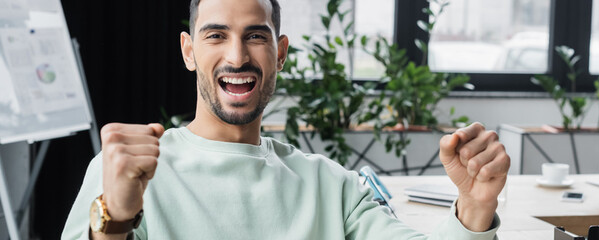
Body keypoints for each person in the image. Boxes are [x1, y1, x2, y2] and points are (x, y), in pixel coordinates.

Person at [61, 0, 510, 239]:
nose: (236, 57)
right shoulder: (129, 171)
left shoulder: (331, 187)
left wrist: (474, 205)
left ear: (280, 53)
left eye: (255, 36)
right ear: (188, 51)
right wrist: (116, 219)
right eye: (216, 35)